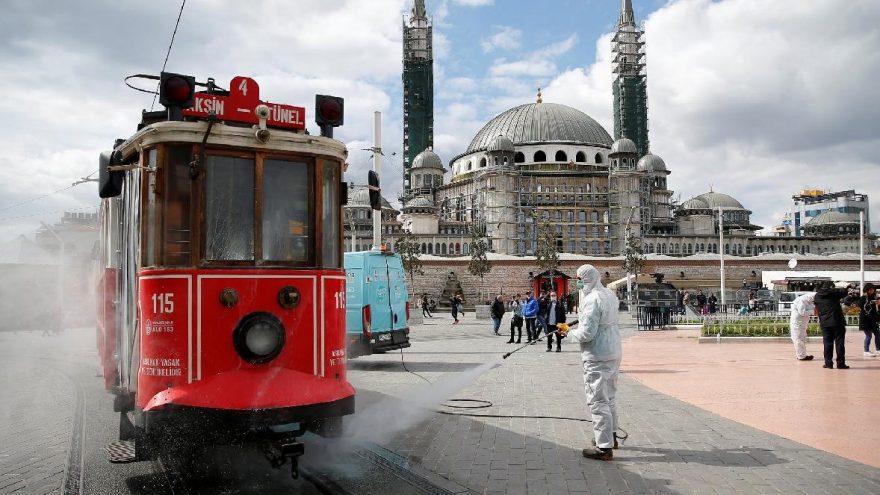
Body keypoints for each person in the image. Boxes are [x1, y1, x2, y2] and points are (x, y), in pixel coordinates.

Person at [559, 264, 621, 461]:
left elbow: (587, 334)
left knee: (597, 400)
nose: (577, 282)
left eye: (578, 278)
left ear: (586, 279)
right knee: (609, 397)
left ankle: (604, 448)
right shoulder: (608, 294)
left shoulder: (592, 299)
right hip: (613, 351)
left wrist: (568, 332)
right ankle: (610, 437)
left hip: (597, 354)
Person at [814, 281, 851, 369]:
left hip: (825, 322)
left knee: (827, 343)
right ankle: (840, 363)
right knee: (839, 343)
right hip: (837, 322)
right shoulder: (834, 293)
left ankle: (828, 363)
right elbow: (844, 293)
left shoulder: (817, 296)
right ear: (831, 287)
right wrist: (846, 287)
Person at [853, 283, 880, 357]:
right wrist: (871, 303)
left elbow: (876, 309)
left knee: (877, 334)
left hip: (873, 319)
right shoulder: (863, 298)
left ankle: (878, 349)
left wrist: (878, 304)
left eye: (873, 289)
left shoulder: (875, 297)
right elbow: (861, 306)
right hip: (865, 319)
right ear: (867, 290)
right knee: (868, 335)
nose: (872, 291)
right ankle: (866, 350)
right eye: (870, 289)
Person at [789, 292, 816, 361]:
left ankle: (801, 355)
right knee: (799, 339)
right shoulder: (802, 300)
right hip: (798, 324)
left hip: (801, 323)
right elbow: (802, 312)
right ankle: (801, 356)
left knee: (801, 339)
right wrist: (813, 312)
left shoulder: (808, 301)